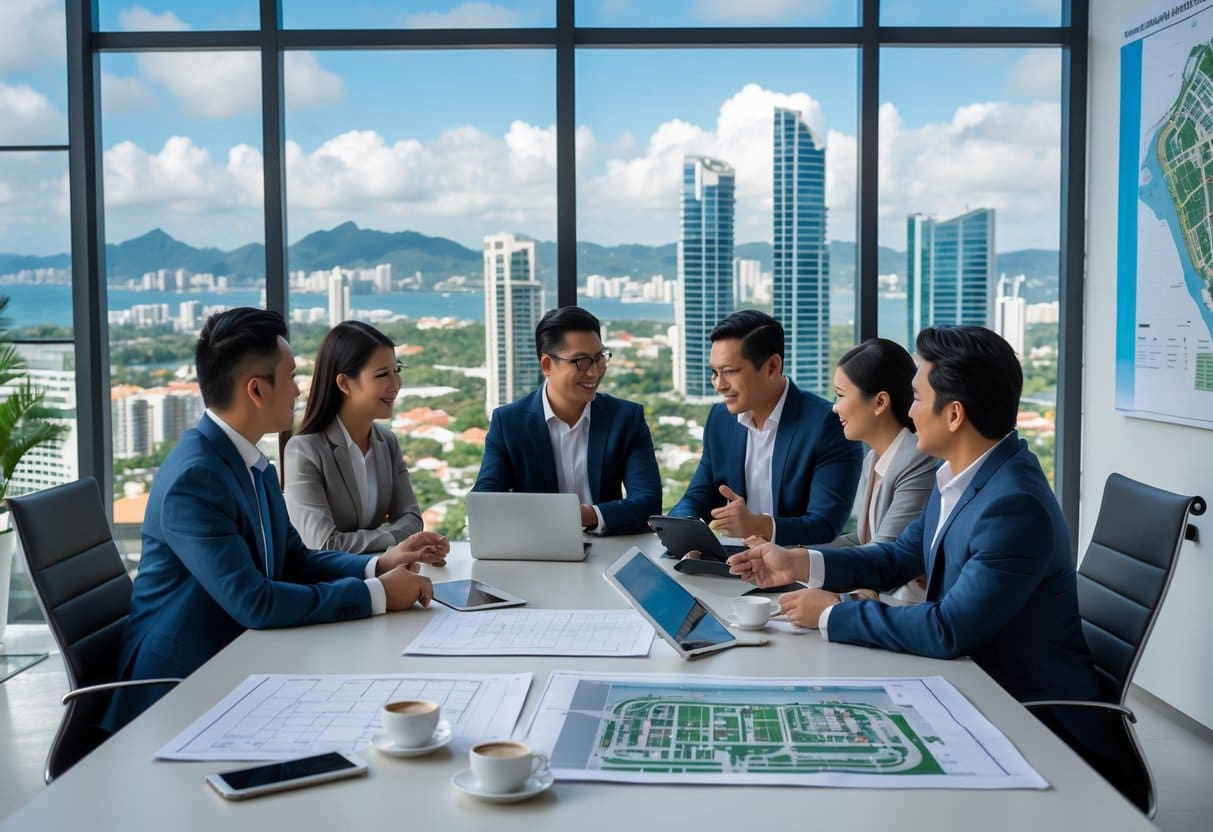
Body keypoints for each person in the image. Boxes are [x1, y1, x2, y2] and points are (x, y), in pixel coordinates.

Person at [727, 325, 1135, 791]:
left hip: (1034, 720)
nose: (910, 410)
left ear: (955, 414)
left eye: (917, 398)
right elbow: (897, 557)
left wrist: (833, 613)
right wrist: (799, 562)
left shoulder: (1013, 506)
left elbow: (948, 629)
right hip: (973, 686)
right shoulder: (960, 476)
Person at [104, 308, 441, 732]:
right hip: (175, 691)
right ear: (257, 390)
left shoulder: (251, 461)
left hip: (238, 661)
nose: (300, 390)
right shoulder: (196, 478)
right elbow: (255, 603)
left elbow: (294, 559)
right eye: (292, 375)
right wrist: (375, 595)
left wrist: (379, 564)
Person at [669, 309, 862, 543]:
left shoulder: (826, 424)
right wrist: (678, 528)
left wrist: (756, 525)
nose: (719, 384)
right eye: (714, 372)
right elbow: (699, 495)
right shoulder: (720, 419)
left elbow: (824, 524)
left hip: (799, 569)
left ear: (772, 366)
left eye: (730, 372)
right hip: (736, 562)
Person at [472, 306, 661, 535]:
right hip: (538, 550)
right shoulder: (509, 423)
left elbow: (649, 503)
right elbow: (486, 501)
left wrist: (585, 516)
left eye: (599, 358)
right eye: (581, 361)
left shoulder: (626, 418)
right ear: (547, 365)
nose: (594, 372)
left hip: (609, 548)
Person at [283, 320, 447, 565]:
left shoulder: (386, 441)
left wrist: (402, 542)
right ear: (344, 384)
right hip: (328, 588)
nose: (396, 384)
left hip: (384, 580)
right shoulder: (305, 451)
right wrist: (400, 542)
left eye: (397, 370)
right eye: (382, 374)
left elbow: (412, 519)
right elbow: (323, 544)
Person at [815, 337, 938, 602]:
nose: (835, 407)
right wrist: (791, 554)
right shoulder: (873, 458)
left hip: (906, 607)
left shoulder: (918, 458)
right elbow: (862, 540)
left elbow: (884, 552)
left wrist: (799, 563)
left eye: (840, 395)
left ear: (880, 402)